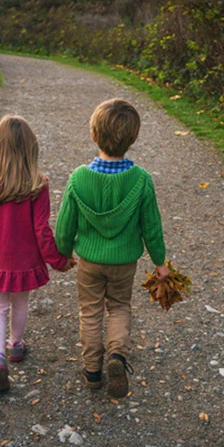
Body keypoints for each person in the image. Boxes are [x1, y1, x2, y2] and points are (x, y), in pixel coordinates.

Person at [0, 115, 75, 393]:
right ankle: (16, 345)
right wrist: (57, 260)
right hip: (26, 259)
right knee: (20, 302)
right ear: (31, 148)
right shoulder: (37, 184)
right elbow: (42, 229)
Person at [55, 98, 169, 398]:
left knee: (90, 312)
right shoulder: (141, 180)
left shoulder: (78, 178)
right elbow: (152, 226)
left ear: (94, 134)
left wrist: (63, 254)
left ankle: (92, 370)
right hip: (124, 262)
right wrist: (160, 262)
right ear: (133, 139)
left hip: (89, 262)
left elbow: (65, 224)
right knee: (119, 307)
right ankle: (117, 356)